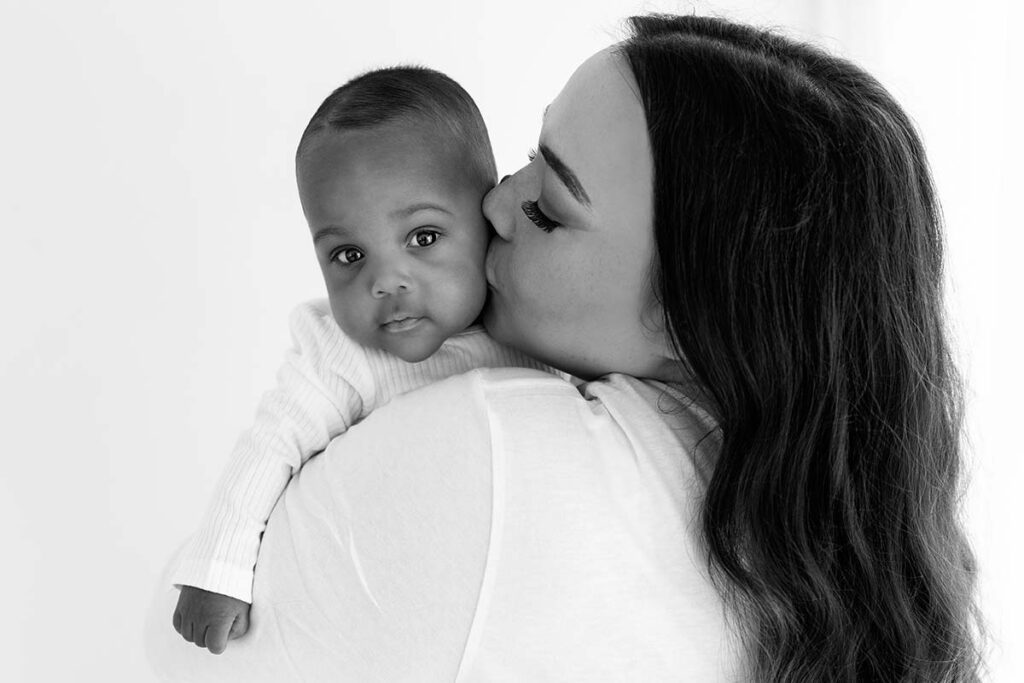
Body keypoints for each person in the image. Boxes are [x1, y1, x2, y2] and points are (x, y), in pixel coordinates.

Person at [147, 13, 985, 682]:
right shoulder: (821, 534)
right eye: (524, 161)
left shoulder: (496, 447)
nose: (497, 205)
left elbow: (172, 658)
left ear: (695, 315)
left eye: (550, 206)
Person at [168, 66, 560, 656]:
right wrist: (216, 568)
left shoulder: (535, 318)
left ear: (488, 218)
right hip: (387, 611)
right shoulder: (339, 355)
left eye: (423, 238)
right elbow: (269, 447)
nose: (384, 280)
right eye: (348, 254)